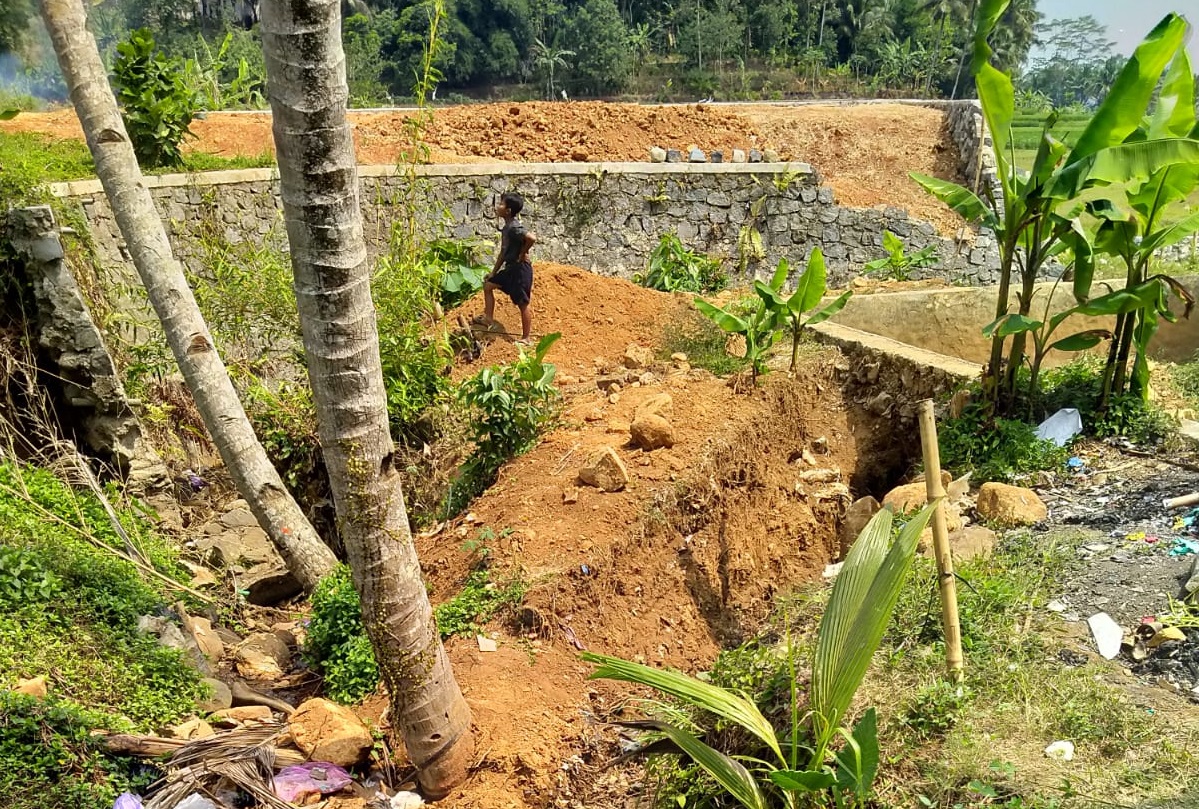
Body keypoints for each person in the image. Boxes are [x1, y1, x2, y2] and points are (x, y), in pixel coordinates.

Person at [475, 191, 536, 343]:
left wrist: (523, 253)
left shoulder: (514, 227)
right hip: (510, 268)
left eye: (501, 204)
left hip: (520, 269)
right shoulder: (507, 228)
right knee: (488, 285)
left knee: (523, 303)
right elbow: (503, 253)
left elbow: (531, 238)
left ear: (508, 211)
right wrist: (493, 272)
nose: (498, 206)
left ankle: (526, 338)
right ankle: (489, 318)